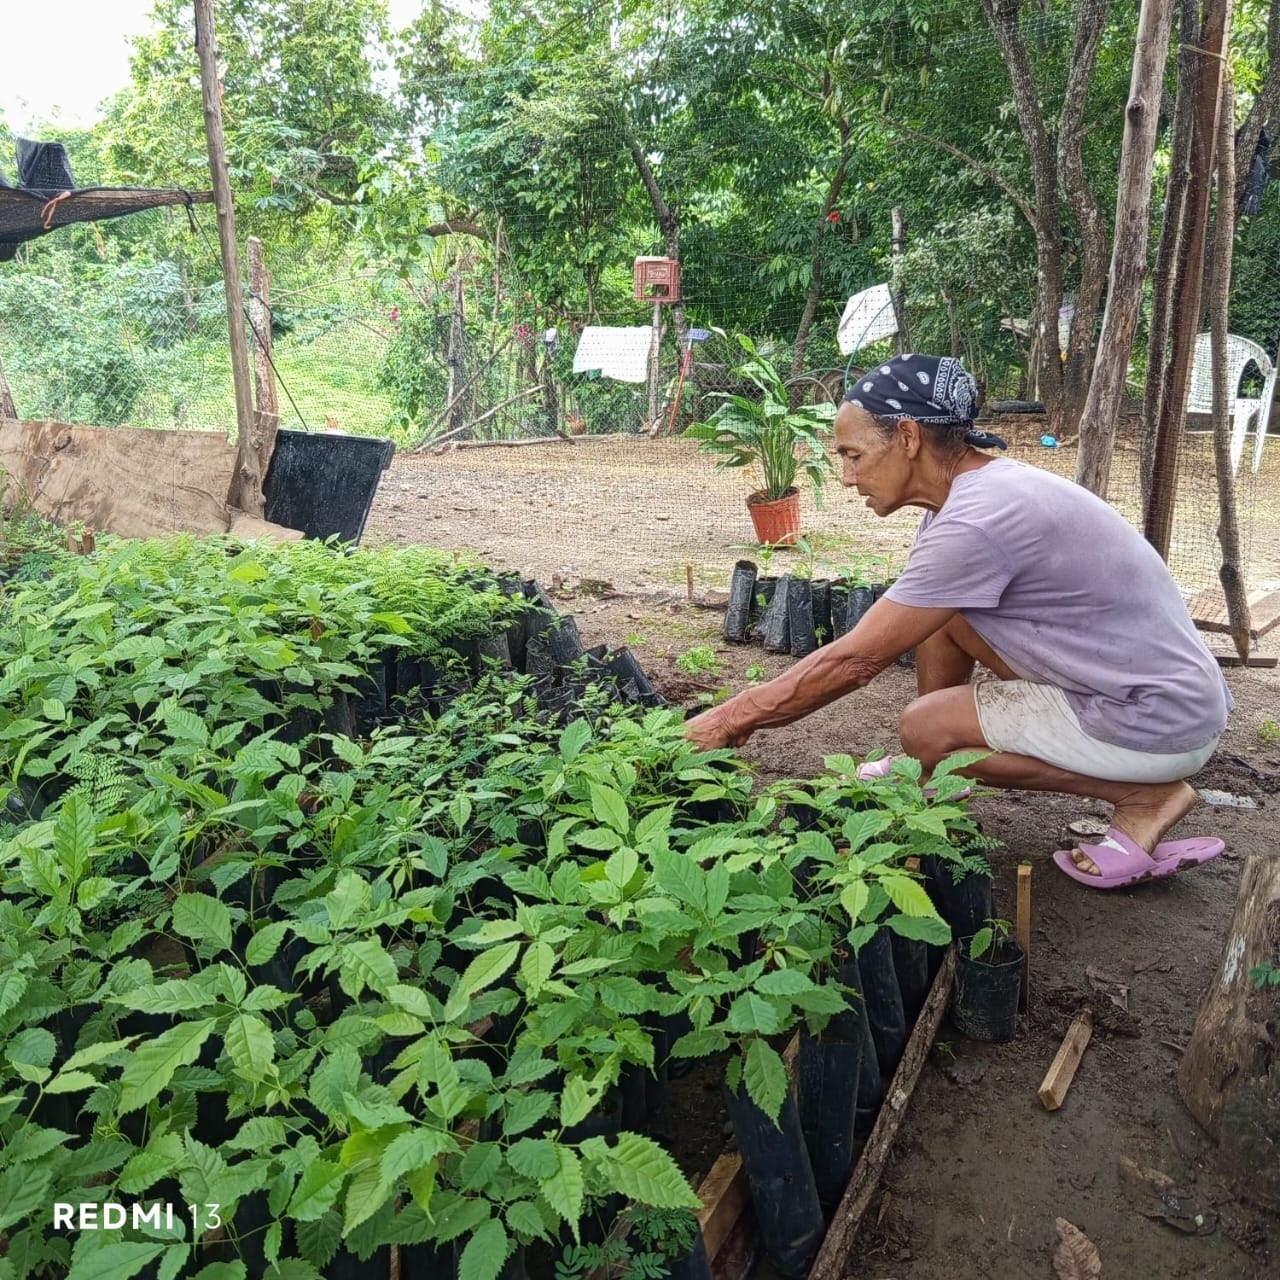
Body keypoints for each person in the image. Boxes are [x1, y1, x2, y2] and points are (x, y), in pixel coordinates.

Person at [685, 354, 1232, 890]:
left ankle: (1144, 797)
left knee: (926, 727)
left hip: (1156, 718)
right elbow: (914, 622)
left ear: (907, 437)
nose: (847, 478)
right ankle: (929, 776)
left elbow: (856, 660)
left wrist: (727, 722)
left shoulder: (978, 519)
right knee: (939, 619)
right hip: (1145, 688)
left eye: (853, 455)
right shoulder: (973, 494)